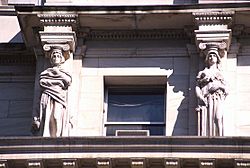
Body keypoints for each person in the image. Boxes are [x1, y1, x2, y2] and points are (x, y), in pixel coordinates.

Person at [32, 48, 72, 137]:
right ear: (51, 59)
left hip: (59, 96)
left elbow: (67, 81)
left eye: (58, 56)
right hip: (47, 96)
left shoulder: (63, 72)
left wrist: (57, 72)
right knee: (47, 117)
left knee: (56, 116)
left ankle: (58, 137)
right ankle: (47, 135)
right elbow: (42, 82)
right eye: (54, 56)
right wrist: (58, 82)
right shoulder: (46, 72)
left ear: (61, 59)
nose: (56, 58)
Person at [195, 49, 228, 136]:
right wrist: (199, 97)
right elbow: (197, 86)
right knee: (207, 119)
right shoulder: (203, 72)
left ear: (217, 58)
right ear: (207, 59)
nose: (211, 57)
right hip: (206, 98)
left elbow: (226, 88)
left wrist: (219, 86)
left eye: (214, 56)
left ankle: (220, 138)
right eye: (210, 56)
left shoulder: (220, 73)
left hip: (218, 97)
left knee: (218, 117)